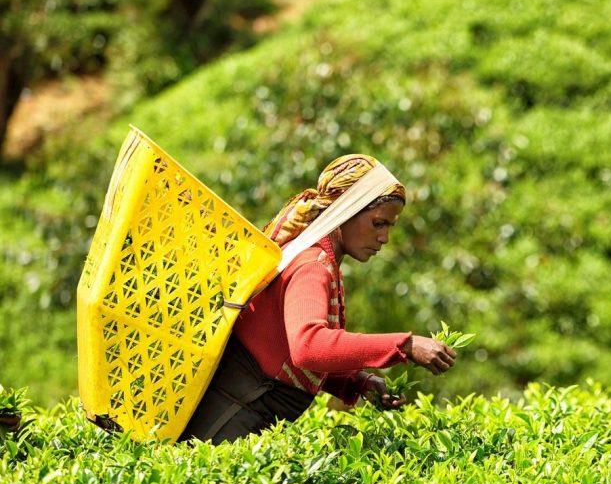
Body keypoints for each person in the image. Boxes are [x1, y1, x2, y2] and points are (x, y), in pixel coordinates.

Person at [179, 154, 456, 444]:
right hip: (226, 423)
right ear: (346, 210)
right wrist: (405, 345)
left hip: (237, 418)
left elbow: (282, 354)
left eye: (389, 226)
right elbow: (308, 346)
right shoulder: (312, 265)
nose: (384, 237)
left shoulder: (316, 258)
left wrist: (356, 381)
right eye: (377, 223)